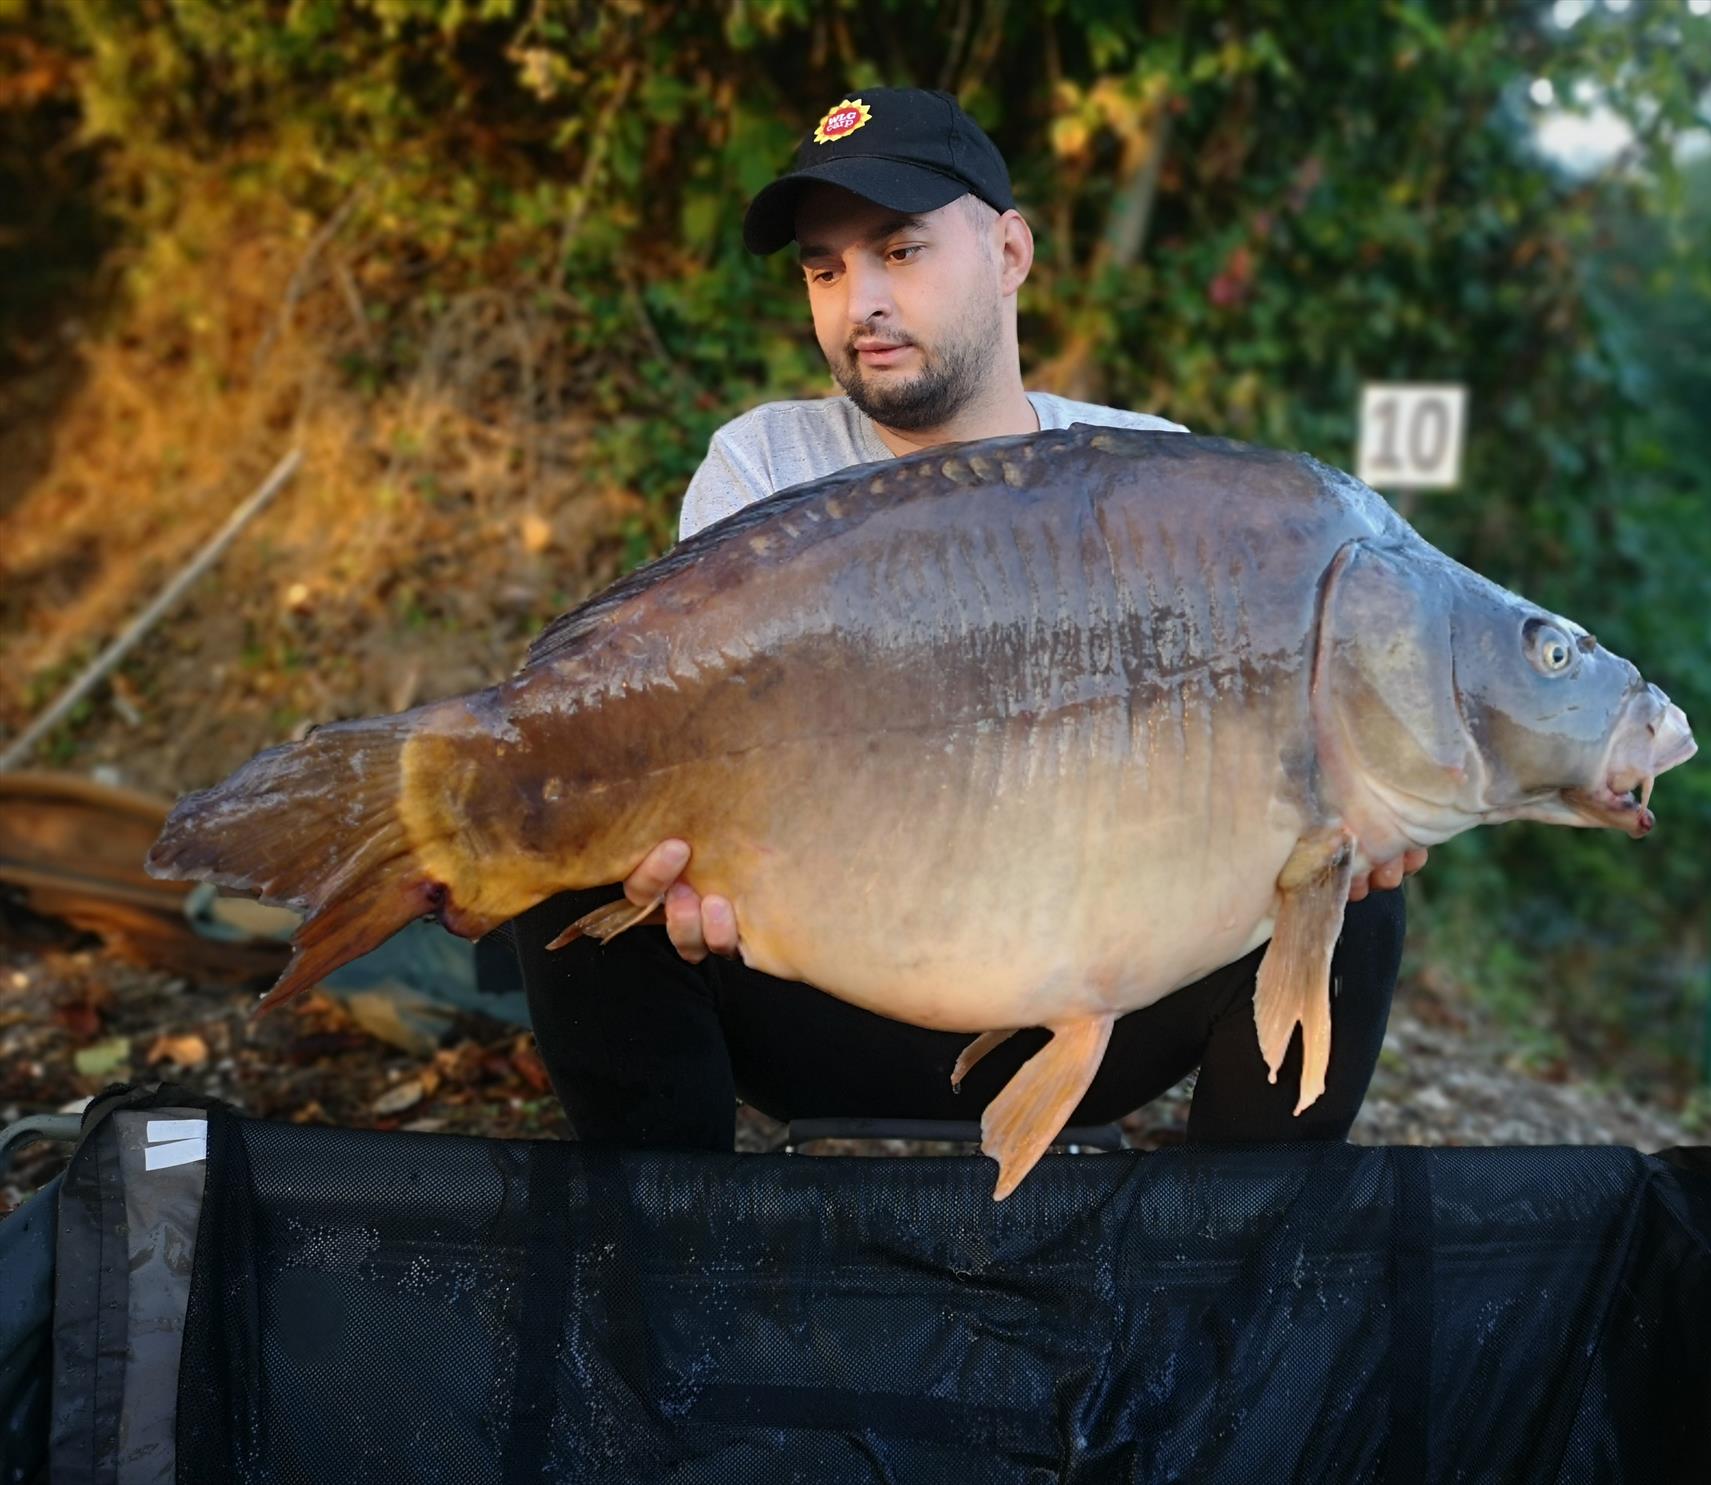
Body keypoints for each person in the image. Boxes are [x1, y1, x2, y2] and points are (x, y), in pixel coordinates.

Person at [505, 88, 1427, 1155]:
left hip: (1092, 992)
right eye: (825, 269)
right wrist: (679, 862)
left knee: (1353, 889)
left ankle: (1228, 1269)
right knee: (564, 832)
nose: (860, 306)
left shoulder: (1151, 475)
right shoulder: (760, 468)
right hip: (824, 990)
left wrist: (1341, 817)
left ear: (1009, 251)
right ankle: (678, 1260)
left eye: (900, 252)